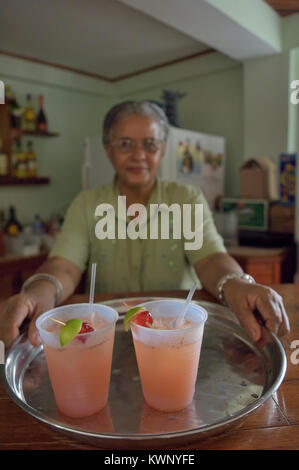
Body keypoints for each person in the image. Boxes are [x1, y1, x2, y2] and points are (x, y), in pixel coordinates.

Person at [0, 101, 290, 348]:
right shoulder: (86, 204)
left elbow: (211, 259)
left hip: (175, 336)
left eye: (150, 144)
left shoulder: (186, 198)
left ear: (162, 151)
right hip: (108, 340)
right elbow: (63, 266)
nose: (138, 154)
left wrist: (236, 284)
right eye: (125, 144)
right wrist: (38, 291)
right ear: (108, 150)